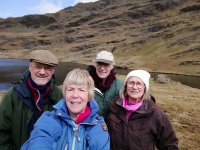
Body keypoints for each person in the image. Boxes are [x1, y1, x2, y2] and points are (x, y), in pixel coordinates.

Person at [21, 69, 110, 150]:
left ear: (89, 96)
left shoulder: (98, 126)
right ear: (65, 93)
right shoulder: (49, 119)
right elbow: (39, 142)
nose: (75, 95)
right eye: (70, 89)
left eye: (81, 90)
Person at [0, 50, 63, 150]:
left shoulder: (60, 95)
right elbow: (2, 134)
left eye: (47, 68)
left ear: (53, 71)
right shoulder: (12, 95)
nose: (42, 72)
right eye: (38, 66)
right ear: (30, 67)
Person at [107, 69, 179, 150]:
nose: (134, 87)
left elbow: (169, 144)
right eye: (131, 83)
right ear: (126, 86)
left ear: (145, 87)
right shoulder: (114, 107)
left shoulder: (156, 114)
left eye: (139, 83)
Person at [87, 50, 123, 119]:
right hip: (92, 125)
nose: (102, 68)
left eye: (106, 64)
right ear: (95, 65)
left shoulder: (120, 86)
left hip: (113, 126)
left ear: (112, 66)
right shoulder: (86, 83)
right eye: (99, 64)